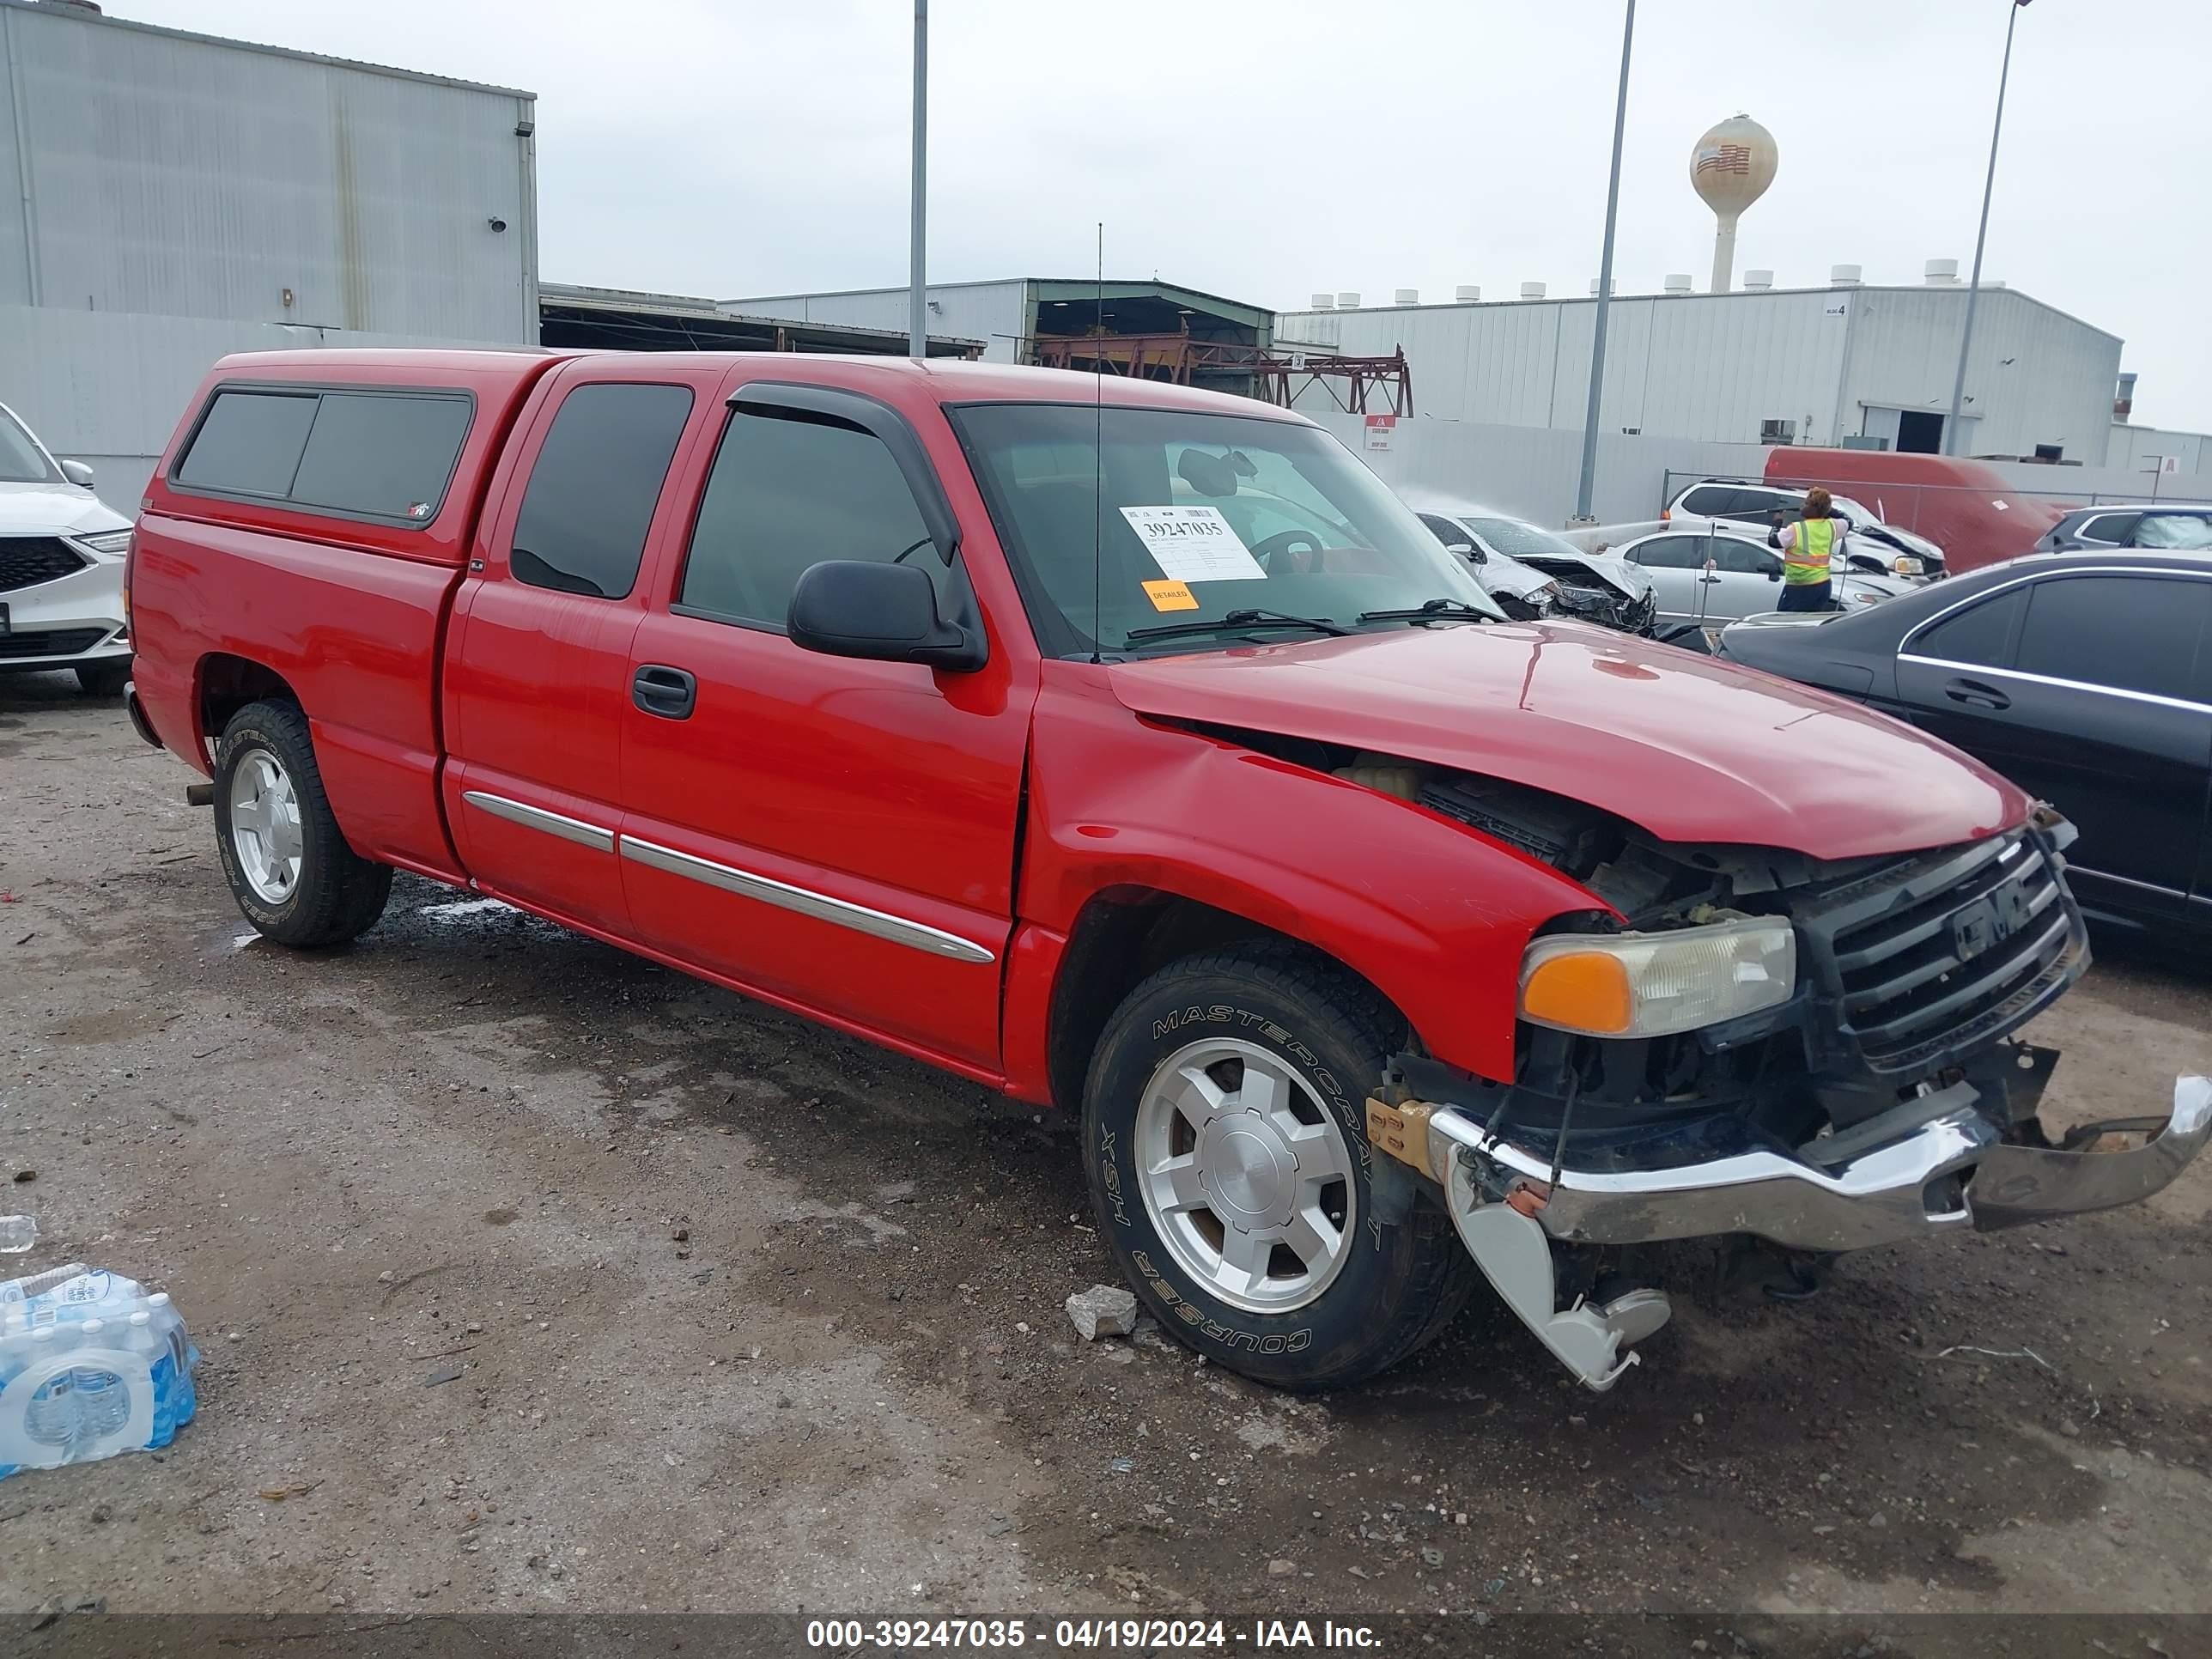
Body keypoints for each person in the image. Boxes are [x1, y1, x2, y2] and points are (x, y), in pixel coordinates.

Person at [1773, 487, 1844, 611]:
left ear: (1814, 508)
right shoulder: (1833, 526)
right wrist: (1828, 510)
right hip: (1823, 585)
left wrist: (1777, 524)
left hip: (1800, 586)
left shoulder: (1796, 529)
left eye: (1806, 503)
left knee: (1785, 622)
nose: (1802, 506)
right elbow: (1848, 521)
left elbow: (1773, 541)